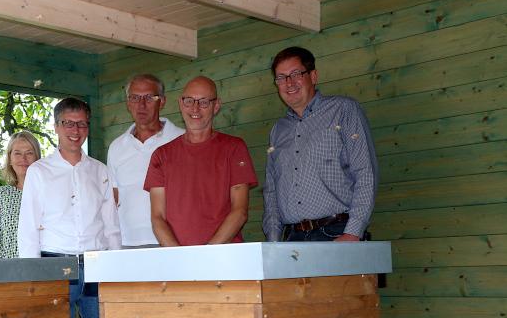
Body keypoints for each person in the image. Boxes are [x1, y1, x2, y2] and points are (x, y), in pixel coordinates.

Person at [17, 97, 121, 318]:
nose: (76, 131)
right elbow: (28, 226)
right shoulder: (40, 171)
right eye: (69, 124)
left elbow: (111, 225)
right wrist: (31, 276)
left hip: (96, 265)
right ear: (56, 127)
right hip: (54, 265)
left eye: (82, 124)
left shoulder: (100, 171)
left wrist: (116, 271)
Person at [262, 46, 378, 242]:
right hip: (292, 239)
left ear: (313, 76)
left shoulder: (343, 110)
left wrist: (352, 233)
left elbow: (365, 172)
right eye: (281, 77)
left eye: (296, 74)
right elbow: (272, 189)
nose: (288, 83)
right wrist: (273, 242)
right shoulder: (278, 130)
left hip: (337, 233)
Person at [144, 76, 258, 245]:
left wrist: (206, 255)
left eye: (204, 102)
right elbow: (158, 218)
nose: (195, 108)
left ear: (216, 106)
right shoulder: (161, 155)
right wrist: (180, 257)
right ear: (181, 104)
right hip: (179, 261)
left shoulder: (234, 148)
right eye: (189, 101)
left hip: (224, 256)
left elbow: (239, 211)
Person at [107, 74, 184, 248]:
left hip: (173, 242)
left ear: (162, 101)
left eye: (149, 97)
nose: (141, 105)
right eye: (135, 98)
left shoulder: (181, 140)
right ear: (128, 103)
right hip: (127, 242)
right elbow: (114, 198)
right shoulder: (117, 147)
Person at [0, 131, 42, 259]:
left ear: (37, 157)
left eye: (29, 153)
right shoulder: (1, 195)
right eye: (17, 153)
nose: (23, 159)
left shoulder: (49, 192)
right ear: (10, 158)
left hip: (45, 270)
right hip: (11, 272)